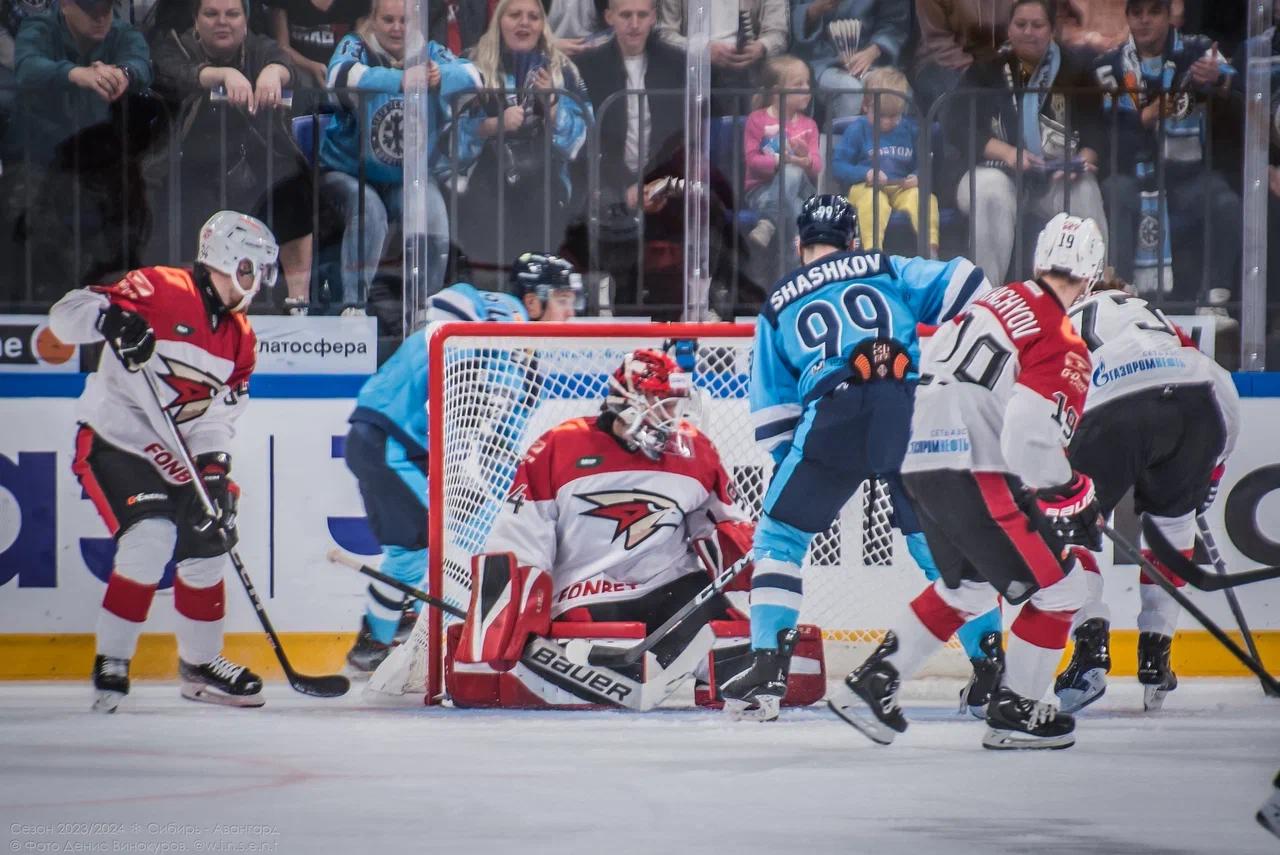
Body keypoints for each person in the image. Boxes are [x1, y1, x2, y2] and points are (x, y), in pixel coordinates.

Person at [828, 213, 1106, 750]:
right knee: (1065, 588)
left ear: (1038, 260)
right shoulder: (1063, 336)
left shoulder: (991, 303)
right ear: (1091, 276)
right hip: (977, 466)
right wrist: (1072, 492)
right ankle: (1017, 710)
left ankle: (871, 684)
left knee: (969, 587)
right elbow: (1029, 434)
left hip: (920, 462)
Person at [721, 193, 993, 722]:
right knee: (938, 543)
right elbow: (970, 285)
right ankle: (991, 667)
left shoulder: (777, 302)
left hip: (834, 411)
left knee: (780, 537)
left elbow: (774, 415)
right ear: (854, 241)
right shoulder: (886, 267)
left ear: (800, 245)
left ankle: (766, 670)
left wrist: (804, 473)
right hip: (906, 407)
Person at [448, 348, 826, 710]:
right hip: (589, 591)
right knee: (594, 664)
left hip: (671, 589)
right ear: (627, 401)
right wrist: (507, 617)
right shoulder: (558, 446)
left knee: (752, 649)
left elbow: (719, 523)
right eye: (662, 404)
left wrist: (746, 555)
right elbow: (521, 534)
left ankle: (729, 666)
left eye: (676, 405)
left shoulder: (694, 450)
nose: (672, 416)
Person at [47, 211, 279, 713]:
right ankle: (112, 660)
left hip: (177, 456)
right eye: (249, 269)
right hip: (117, 440)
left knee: (211, 541)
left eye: (262, 273)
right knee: (151, 538)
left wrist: (214, 470)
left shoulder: (241, 339)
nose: (255, 283)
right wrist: (109, 318)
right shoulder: (159, 288)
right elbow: (64, 316)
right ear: (223, 259)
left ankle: (200, 666)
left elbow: (218, 416)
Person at [343, 253, 582, 672]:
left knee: (411, 550)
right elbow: (450, 304)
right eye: (561, 299)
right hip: (389, 438)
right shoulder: (503, 318)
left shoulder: (527, 364)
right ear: (531, 302)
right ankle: (454, 644)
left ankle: (373, 644)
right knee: (448, 544)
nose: (570, 311)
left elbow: (501, 444)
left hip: (401, 444)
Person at [1053, 279, 1240, 713]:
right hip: (1200, 395)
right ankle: (1157, 654)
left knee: (1067, 531)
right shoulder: (1151, 314)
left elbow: (1051, 398)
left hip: (1110, 398)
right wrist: (1214, 467)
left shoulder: (1062, 317)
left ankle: (1090, 648)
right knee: (1173, 524)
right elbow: (1216, 379)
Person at [151, 0, 313, 312]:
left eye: (232, 14)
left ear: (245, 20)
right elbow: (174, 73)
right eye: (211, 14)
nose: (222, 22)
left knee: (295, 188)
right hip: (188, 164)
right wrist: (221, 74)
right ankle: (196, 306)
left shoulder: (257, 47)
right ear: (196, 20)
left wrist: (272, 73)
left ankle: (298, 303)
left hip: (251, 164)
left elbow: (281, 62)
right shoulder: (175, 45)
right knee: (187, 206)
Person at [320, 0, 483, 312]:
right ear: (374, 20)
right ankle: (353, 307)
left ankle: (422, 309)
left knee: (432, 215)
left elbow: (475, 77)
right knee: (370, 212)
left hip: (406, 177)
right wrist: (398, 79)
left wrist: (438, 78)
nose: (397, 28)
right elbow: (338, 77)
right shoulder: (356, 45)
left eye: (405, 21)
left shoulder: (430, 53)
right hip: (348, 172)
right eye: (388, 20)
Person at [948, 0, 1108, 287]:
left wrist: (1082, 159)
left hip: (1056, 177)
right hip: (995, 171)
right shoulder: (986, 70)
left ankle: (1096, 291)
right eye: (1020, 25)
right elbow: (957, 126)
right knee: (990, 190)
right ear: (1009, 28)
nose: (1028, 32)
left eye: (1037, 25)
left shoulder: (1076, 70)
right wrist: (1008, 153)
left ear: (1051, 30)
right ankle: (985, 296)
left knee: (1084, 187)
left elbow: (1096, 127)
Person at [1094, 0, 1240, 301]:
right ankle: (1121, 294)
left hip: (1188, 176)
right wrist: (1147, 117)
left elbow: (1236, 84)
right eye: (1137, 14)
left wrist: (1219, 78)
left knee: (1224, 201)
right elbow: (1108, 135)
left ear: (1168, 15)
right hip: (1133, 175)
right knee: (1113, 191)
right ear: (1128, 19)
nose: (1145, 20)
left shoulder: (1196, 51)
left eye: (1153, 12)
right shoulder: (1109, 66)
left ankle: (1217, 298)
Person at [453, 0, 591, 290]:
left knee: (544, 197)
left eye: (532, 17)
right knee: (484, 202)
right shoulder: (470, 65)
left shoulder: (563, 69)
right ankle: (490, 296)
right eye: (515, 15)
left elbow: (582, 138)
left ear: (542, 26)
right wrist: (493, 125)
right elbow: (448, 132)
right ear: (499, 21)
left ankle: (536, 297)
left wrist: (552, 107)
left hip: (545, 173)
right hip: (483, 170)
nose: (524, 23)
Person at [10, 0, 152, 160]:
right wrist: (74, 74)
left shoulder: (121, 32)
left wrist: (125, 73)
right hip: (46, 154)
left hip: (102, 151)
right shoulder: (39, 27)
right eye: (90, 10)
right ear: (65, 5)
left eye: (106, 9)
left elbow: (141, 63)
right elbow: (27, 67)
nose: (100, 18)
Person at [832, 67, 939, 257]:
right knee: (873, 201)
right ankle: (873, 253)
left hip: (900, 187)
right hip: (865, 186)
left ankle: (930, 249)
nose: (889, 122)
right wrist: (864, 174)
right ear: (866, 105)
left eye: (895, 115)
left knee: (922, 197)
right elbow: (838, 165)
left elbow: (925, 162)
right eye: (882, 116)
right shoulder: (858, 130)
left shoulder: (910, 130)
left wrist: (917, 176)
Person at [743, 55, 823, 266]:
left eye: (808, 82)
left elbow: (816, 166)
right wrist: (780, 161)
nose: (807, 88)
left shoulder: (809, 125)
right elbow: (752, 162)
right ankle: (794, 271)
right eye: (799, 84)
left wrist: (804, 159)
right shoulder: (757, 120)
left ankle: (768, 223)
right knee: (796, 210)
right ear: (778, 92)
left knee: (794, 172)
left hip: (801, 189)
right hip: (762, 191)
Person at [656, 0, 788, 114]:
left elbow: (778, 33)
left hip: (749, 69)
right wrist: (701, 49)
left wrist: (761, 47)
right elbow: (664, 33)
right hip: (692, 66)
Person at [789, 0, 908, 119]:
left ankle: (884, 137)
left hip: (872, 60)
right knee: (849, 89)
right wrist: (813, 11)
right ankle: (843, 136)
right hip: (819, 60)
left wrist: (875, 49)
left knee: (893, 90)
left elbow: (895, 23)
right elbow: (789, 16)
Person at [912, 0, 1016, 111]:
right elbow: (937, 39)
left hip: (989, 60)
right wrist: (971, 69)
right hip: (941, 61)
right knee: (964, 99)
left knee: (1009, 106)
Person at [268, 0, 364, 89]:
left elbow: (361, 48)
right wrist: (311, 66)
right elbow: (282, 47)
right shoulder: (282, 4)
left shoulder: (358, 4)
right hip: (297, 79)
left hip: (343, 82)